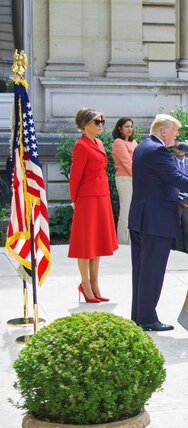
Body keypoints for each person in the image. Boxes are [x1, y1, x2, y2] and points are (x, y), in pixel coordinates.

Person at [129, 114, 188, 331]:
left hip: (142, 218)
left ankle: (139, 315)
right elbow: (173, 177)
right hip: (155, 220)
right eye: (175, 131)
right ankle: (148, 319)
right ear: (164, 131)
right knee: (152, 271)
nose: (177, 136)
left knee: (142, 271)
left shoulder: (144, 146)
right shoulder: (159, 150)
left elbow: (162, 180)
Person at [69, 108, 119, 303]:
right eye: (97, 122)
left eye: (102, 121)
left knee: (97, 243)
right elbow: (75, 176)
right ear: (85, 124)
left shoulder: (98, 142)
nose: (101, 125)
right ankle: (86, 285)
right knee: (85, 244)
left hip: (101, 196)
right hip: (87, 198)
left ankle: (95, 284)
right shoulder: (81, 145)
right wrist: (75, 200)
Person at [110, 117, 137, 244]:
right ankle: (123, 242)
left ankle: (133, 240)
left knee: (133, 212)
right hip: (125, 179)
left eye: (131, 126)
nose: (130, 129)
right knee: (125, 212)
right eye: (126, 126)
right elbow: (128, 164)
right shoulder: (118, 143)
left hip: (135, 179)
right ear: (119, 128)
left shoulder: (134, 142)